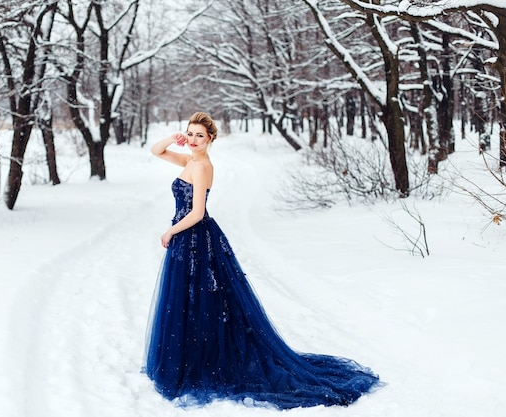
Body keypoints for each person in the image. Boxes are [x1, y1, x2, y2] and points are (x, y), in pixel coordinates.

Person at [143, 111, 381, 409]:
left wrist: (170, 231)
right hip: (186, 239)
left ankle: (206, 360)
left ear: (211, 139)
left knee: (204, 301)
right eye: (189, 134)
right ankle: (192, 357)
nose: (192, 140)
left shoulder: (202, 166)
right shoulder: (190, 160)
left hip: (194, 236)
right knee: (190, 302)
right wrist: (173, 138)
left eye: (199, 136)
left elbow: (197, 213)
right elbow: (157, 151)